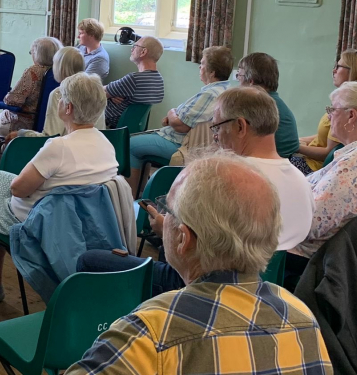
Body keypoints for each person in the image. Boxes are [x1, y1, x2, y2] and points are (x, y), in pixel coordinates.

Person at [18, 153, 333, 375]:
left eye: (167, 210)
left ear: (183, 239)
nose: (162, 217)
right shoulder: (303, 318)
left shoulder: (154, 333)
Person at [79, 86, 315, 295]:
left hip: (204, 289)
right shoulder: (303, 181)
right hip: (271, 292)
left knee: (90, 260)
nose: (214, 136)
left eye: (217, 126)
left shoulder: (224, 178)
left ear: (241, 126)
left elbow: (192, 251)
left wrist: (165, 229)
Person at [0, 73, 118, 302]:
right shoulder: (106, 144)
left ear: (68, 107)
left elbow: (19, 190)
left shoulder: (58, 147)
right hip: (87, 222)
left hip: (47, 222)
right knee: (0, 178)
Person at [127, 45, 233, 193]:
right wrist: (173, 117)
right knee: (139, 143)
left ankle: (130, 198)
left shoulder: (211, 94)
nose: (199, 67)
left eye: (202, 64)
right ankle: (142, 193)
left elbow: (180, 125)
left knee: (129, 145)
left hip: (182, 143)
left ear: (212, 72)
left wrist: (171, 113)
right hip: (180, 137)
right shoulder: (225, 90)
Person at [292, 81, 357, 260]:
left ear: (351, 115)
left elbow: (310, 225)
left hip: (310, 260)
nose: (328, 117)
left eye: (333, 110)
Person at [292, 49, 357, 175]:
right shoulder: (342, 105)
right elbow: (324, 136)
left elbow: (329, 151)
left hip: (313, 167)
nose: (333, 71)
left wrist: (296, 146)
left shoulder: (348, 110)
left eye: (338, 66)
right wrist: (299, 140)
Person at [0, 37, 62, 158]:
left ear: (38, 54)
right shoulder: (58, 71)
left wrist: (6, 98)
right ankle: (5, 152)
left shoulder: (33, 71)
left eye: (31, 52)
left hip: (23, 120)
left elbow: (12, 100)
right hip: (47, 122)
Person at [7, 46, 104, 142]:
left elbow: (50, 137)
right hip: (95, 145)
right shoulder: (97, 90)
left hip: (66, 149)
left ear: (59, 68)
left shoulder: (59, 93)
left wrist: (22, 133)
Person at [236, 52, 299, 158]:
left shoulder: (257, 105)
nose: (238, 80)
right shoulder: (274, 100)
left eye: (239, 75)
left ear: (251, 81)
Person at [103, 36, 165, 129]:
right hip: (133, 128)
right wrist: (112, 94)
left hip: (110, 126)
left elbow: (98, 91)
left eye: (135, 46)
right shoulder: (158, 79)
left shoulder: (134, 79)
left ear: (143, 52)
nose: (131, 49)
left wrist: (110, 93)